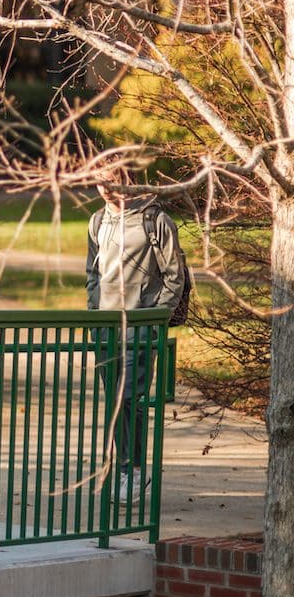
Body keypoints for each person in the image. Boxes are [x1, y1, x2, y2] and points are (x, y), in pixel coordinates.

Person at [85, 164, 186, 504]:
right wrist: (94, 310)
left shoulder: (155, 220)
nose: (105, 188)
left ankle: (134, 469)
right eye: (99, 182)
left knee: (130, 397)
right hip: (105, 327)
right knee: (116, 401)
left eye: (111, 181)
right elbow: (92, 272)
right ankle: (126, 467)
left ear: (127, 178)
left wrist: (155, 316)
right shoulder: (98, 221)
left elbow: (175, 275)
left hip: (140, 326)